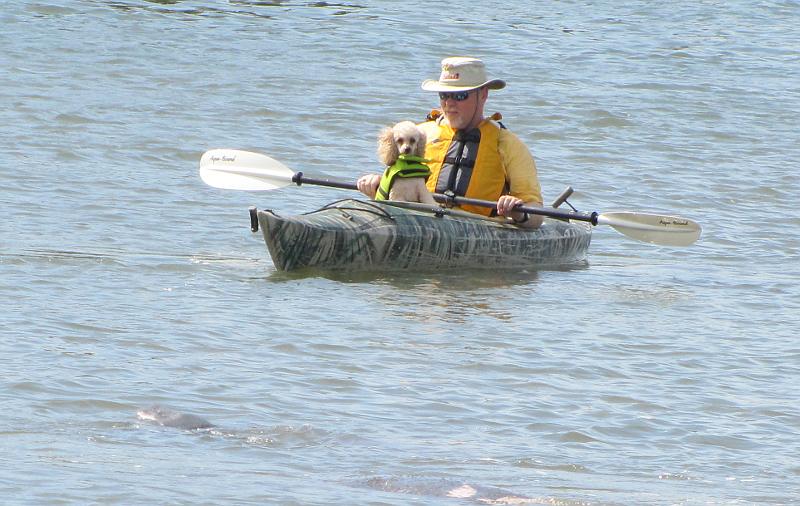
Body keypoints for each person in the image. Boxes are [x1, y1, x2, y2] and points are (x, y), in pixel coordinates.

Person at [357, 56, 543, 228]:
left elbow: (535, 213)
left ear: (483, 94)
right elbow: (401, 186)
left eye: (460, 95)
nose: (449, 103)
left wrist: (518, 212)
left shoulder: (508, 144)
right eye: (444, 95)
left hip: (476, 227)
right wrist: (380, 184)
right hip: (422, 220)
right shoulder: (421, 135)